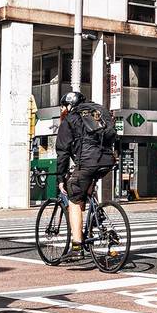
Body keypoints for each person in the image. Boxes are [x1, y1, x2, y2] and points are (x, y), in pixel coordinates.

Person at [55, 90, 118, 252]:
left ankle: (76, 246)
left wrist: (60, 178)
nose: (64, 110)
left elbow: (63, 151)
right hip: (108, 160)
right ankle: (93, 221)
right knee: (85, 187)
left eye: (64, 107)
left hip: (88, 162)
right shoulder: (100, 111)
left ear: (70, 105)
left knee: (74, 198)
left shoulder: (71, 118)